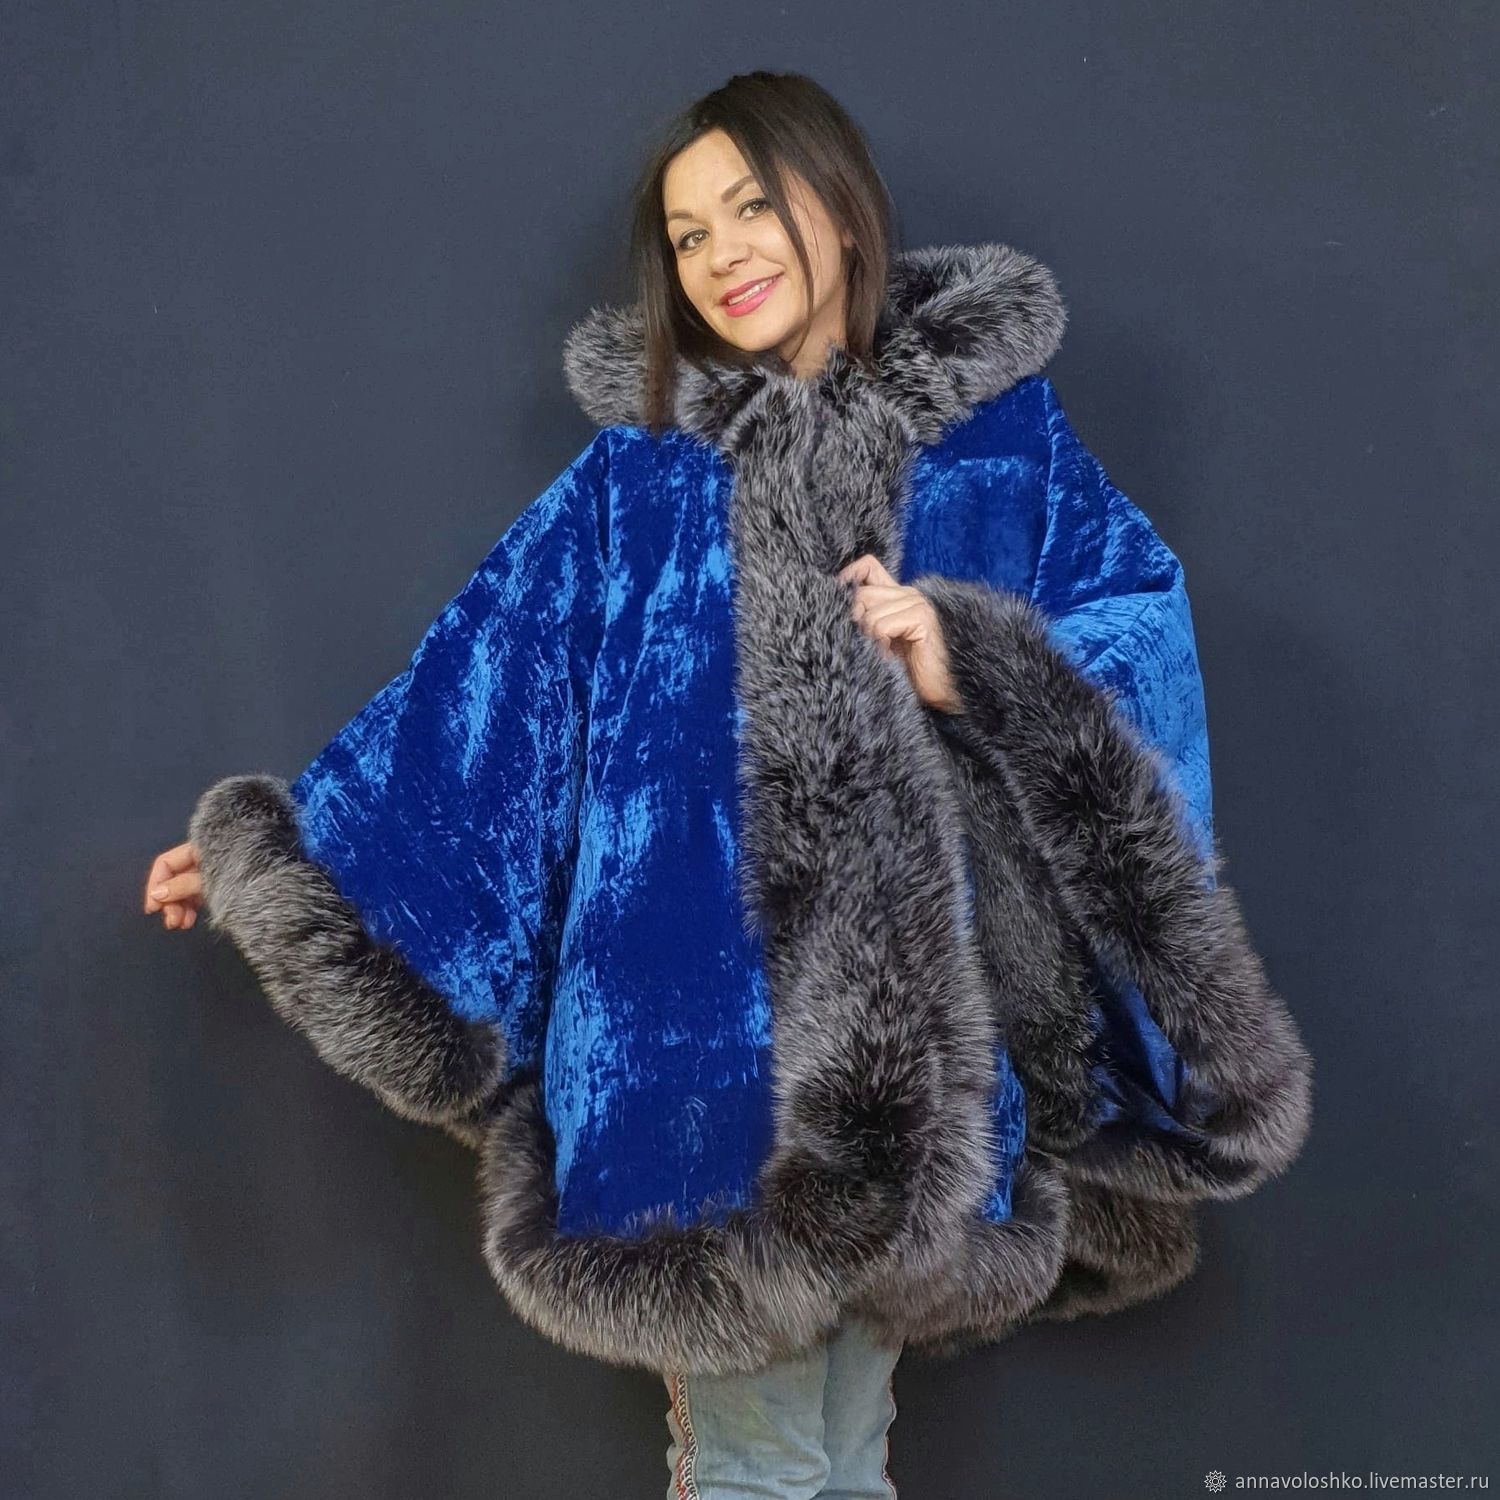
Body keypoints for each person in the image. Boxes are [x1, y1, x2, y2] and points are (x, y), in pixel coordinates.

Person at [143, 70, 1313, 1500]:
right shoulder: (635, 480)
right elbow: (487, 697)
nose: (722, 255)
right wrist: (293, 862)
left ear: (843, 208)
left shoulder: (1008, 449)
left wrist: (972, 658)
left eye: (752, 207)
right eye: (689, 235)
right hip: (689, 1049)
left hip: (932, 1071)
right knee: (762, 1467)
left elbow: (1132, 643)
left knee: (842, 1459)